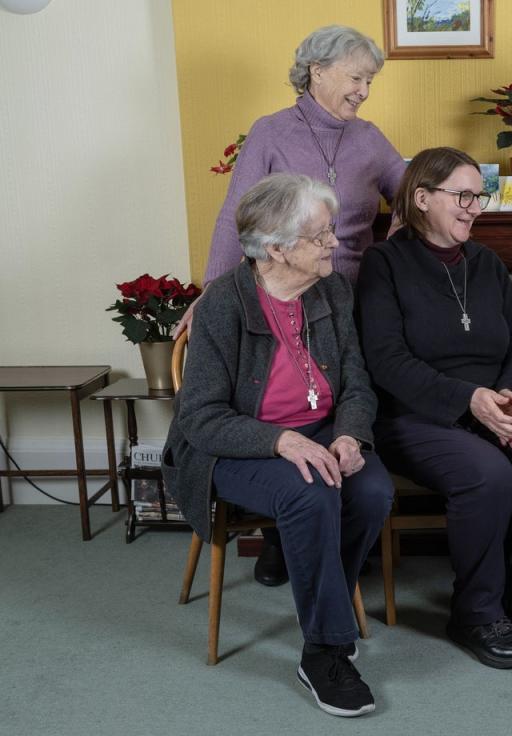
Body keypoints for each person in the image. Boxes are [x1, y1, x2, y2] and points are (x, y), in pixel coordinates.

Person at [176, 25, 406, 586]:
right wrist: (211, 297)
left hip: (350, 300)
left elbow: (414, 194)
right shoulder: (271, 132)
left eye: (370, 80)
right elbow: (238, 220)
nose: (364, 91)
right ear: (318, 71)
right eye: (357, 78)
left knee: (343, 402)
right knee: (278, 401)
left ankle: (336, 536)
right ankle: (287, 533)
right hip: (284, 291)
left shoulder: (371, 138)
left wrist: (394, 250)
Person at [162, 174, 393, 717]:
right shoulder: (223, 305)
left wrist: (350, 434)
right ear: (275, 249)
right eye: (319, 236)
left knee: (373, 490)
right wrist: (281, 440)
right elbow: (200, 418)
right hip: (234, 446)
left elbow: (357, 382)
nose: (334, 244)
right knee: (309, 495)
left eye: (330, 231)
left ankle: (324, 603)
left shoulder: (332, 290)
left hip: (320, 431)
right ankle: (325, 652)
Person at [355, 147, 512, 669]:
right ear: (423, 198)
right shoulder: (383, 263)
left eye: (480, 196)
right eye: (463, 196)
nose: (475, 206)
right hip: (416, 413)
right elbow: (385, 361)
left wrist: (511, 396)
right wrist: (468, 400)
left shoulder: (487, 262)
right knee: (486, 472)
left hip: (497, 402)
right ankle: (476, 611)